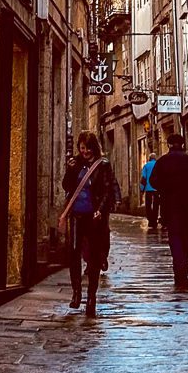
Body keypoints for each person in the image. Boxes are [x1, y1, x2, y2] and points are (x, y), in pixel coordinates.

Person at [58, 131, 119, 319]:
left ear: (94, 147)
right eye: (82, 147)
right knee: (74, 254)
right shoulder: (75, 164)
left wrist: (101, 209)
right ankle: (76, 293)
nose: (84, 151)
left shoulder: (103, 165)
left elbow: (108, 189)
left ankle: (91, 298)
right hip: (77, 215)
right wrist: (69, 171)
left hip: (94, 217)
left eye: (87, 147)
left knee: (93, 259)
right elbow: (66, 186)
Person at [148, 123, 188, 291]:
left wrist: (164, 188)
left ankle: (179, 267)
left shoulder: (162, 161)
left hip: (169, 204)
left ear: (169, 145)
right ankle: (184, 265)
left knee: (174, 236)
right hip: (187, 204)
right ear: (183, 144)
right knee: (184, 235)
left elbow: (153, 181)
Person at [139, 148, 159, 230]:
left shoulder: (146, 166)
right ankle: (155, 220)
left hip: (148, 188)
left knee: (148, 205)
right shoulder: (158, 164)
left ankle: (150, 220)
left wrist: (141, 189)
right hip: (157, 189)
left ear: (149, 159)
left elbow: (143, 178)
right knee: (156, 205)